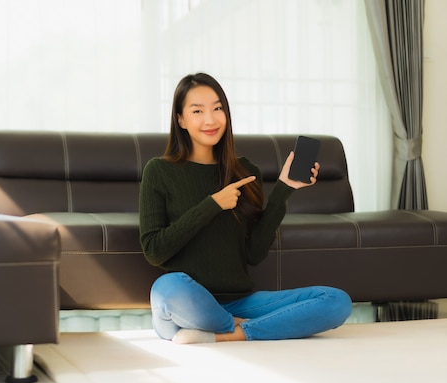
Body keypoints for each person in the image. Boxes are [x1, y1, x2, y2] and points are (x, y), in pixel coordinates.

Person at [139, 73, 352, 344]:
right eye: (197, 111)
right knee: (167, 288)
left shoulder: (245, 171)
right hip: (188, 302)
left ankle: (233, 333)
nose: (210, 119)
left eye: (218, 109)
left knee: (336, 301)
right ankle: (248, 327)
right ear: (180, 119)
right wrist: (213, 204)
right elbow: (155, 251)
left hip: (241, 303)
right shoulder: (159, 171)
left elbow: (253, 253)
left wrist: (284, 189)